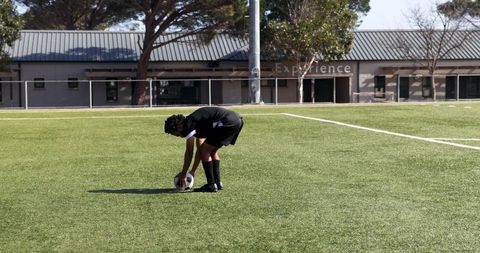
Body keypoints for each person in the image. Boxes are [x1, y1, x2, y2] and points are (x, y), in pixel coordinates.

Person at [164, 107, 244, 192]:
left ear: (178, 127)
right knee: (211, 151)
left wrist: (184, 174)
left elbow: (189, 152)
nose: (178, 136)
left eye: (175, 134)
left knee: (205, 150)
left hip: (227, 122)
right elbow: (200, 147)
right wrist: (192, 172)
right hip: (235, 120)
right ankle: (217, 183)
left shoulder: (188, 125)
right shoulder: (196, 123)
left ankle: (211, 185)